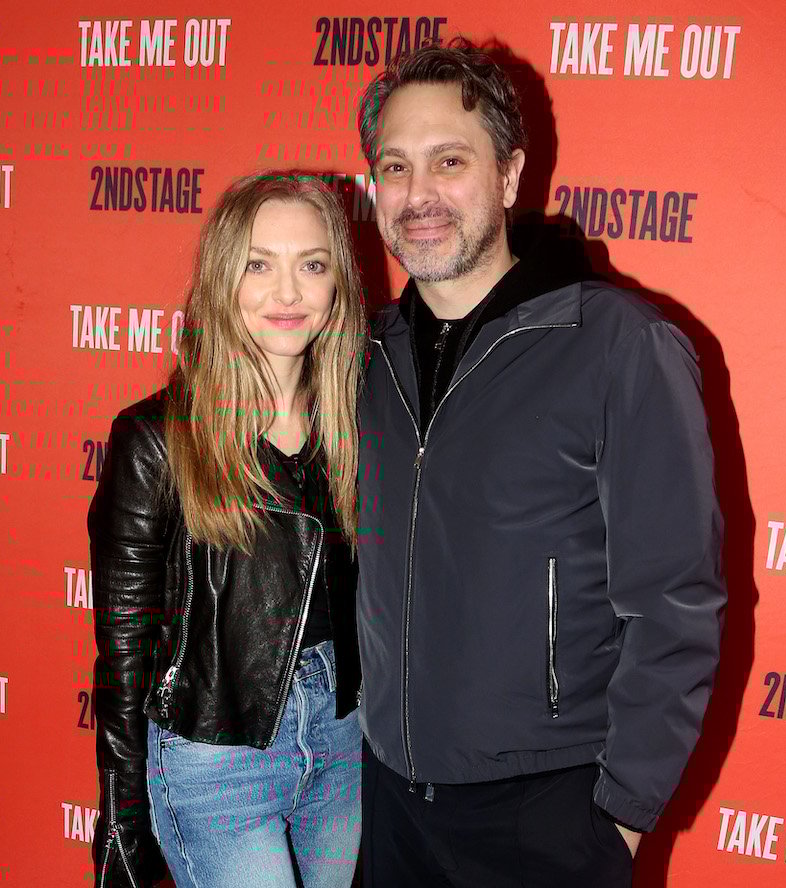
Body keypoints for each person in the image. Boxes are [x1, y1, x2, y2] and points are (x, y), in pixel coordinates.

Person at [353, 39, 727, 887]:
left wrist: (622, 815)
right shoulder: (366, 354)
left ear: (510, 174)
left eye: (450, 161)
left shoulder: (619, 346)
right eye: (395, 167)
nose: (418, 194)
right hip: (390, 805)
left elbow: (676, 602)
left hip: (548, 814)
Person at [88, 172, 367, 888]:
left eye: (312, 264)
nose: (288, 292)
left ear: (338, 282)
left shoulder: (358, 425)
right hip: (216, 754)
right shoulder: (156, 438)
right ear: (222, 280)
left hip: (343, 738)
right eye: (258, 265)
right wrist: (121, 813)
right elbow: (122, 652)